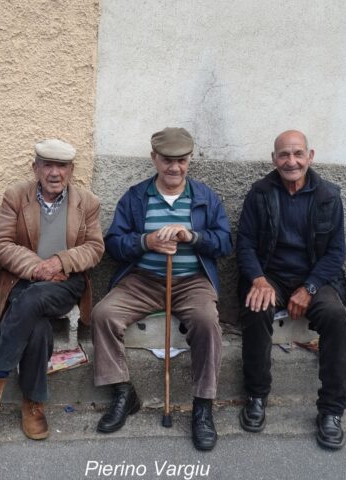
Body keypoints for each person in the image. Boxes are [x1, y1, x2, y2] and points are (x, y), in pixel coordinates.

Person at [91, 127, 232, 451]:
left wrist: (192, 237)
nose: (174, 168)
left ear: (189, 160)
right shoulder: (137, 196)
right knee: (104, 314)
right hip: (144, 280)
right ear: (154, 158)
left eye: (181, 161)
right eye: (167, 160)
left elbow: (224, 242)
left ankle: (202, 406)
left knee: (207, 321)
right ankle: (123, 392)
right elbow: (113, 243)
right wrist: (146, 242)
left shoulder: (204, 197)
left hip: (191, 281)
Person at [0, 139, 103, 441]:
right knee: (35, 322)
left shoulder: (87, 202)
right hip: (24, 278)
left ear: (71, 170)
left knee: (32, 301)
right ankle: (33, 402)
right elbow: (1, 245)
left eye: (61, 166)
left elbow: (94, 248)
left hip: (66, 281)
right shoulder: (15, 196)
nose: (54, 172)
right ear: (34, 167)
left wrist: (59, 262)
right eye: (47, 165)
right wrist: (37, 267)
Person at [237, 130, 346, 450]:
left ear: (310, 156)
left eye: (298, 154)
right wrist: (258, 280)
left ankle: (331, 410)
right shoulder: (259, 193)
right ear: (274, 159)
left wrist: (310, 287)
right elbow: (244, 243)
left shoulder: (328, 196)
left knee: (336, 316)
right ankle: (257, 396)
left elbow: (336, 252)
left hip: (315, 278)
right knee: (257, 308)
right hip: (270, 275)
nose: (291, 161)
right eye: (284, 155)